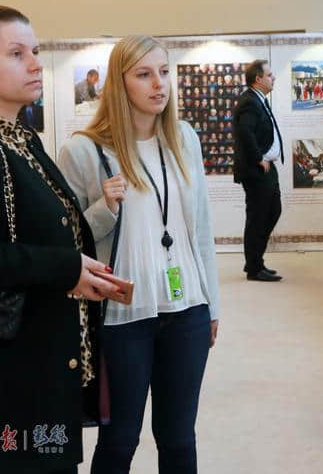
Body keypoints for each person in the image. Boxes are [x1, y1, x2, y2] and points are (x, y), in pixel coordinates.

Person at [0, 3, 120, 474]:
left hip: (39, 361)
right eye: (16, 53)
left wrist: (78, 269)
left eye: (34, 50)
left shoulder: (22, 139)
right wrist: (64, 268)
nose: (35, 62)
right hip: (3, 376)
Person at [57, 35, 220, 474]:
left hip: (187, 310)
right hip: (122, 317)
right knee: (119, 439)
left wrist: (212, 304)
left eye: (164, 72)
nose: (159, 85)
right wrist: (103, 208)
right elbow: (63, 244)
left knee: (179, 438)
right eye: (144, 74)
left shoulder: (184, 138)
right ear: (119, 83)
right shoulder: (84, 150)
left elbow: (200, 229)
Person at [232, 60, 284, 282]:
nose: (274, 78)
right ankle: (254, 267)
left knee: (273, 211)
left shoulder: (259, 100)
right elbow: (245, 133)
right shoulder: (249, 102)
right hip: (256, 170)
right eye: (270, 75)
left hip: (267, 168)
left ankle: (256, 261)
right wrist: (258, 159)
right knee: (257, 217)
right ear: (258, 79)